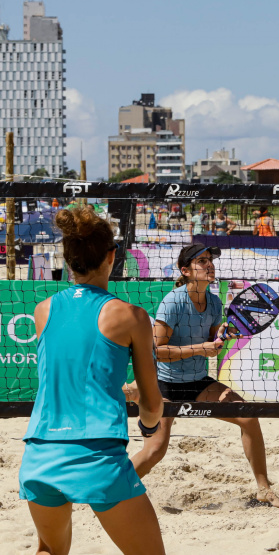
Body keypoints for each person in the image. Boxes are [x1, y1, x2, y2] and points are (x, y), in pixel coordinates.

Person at [19, 206, 165, 554]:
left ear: (68, 259)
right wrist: (149, 428)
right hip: (96, 455)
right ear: (112, 256)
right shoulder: (131, 315)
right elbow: (152, 403)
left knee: (49, 551)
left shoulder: (44, 310)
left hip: (39, 456)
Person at [128, 243, 279, 508]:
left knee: (248, 415)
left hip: (198, 382)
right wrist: (200, 348)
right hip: (165, 385)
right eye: (201, 261)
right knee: (155, 451)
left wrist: (222, 333)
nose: (209, 264)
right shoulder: (173, 302)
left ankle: (264, 489)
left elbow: (214, 339)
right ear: (186, 271)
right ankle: (115, 489)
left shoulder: (213, 301)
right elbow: (157, 351)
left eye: (210, 260)